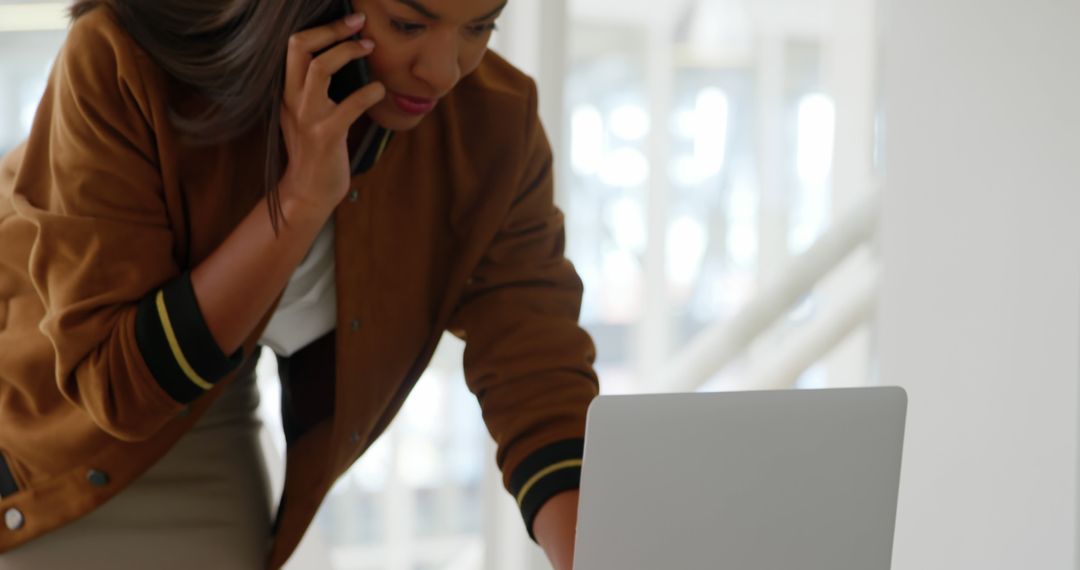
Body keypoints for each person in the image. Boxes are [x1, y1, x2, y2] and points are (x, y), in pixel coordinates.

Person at [0, 0, 599, 568]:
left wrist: (601, 557)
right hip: (33, 416)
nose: (444, 72)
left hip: (205, 407)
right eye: (408, 25)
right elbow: (116, 384)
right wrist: (301, 199)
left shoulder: (492, 123)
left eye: (480, 26)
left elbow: (536, 371)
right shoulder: (122, 55)